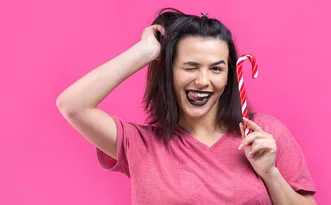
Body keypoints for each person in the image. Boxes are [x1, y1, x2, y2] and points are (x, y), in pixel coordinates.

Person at [56, 8, 317, 205]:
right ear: (169, 72)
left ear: (229, 76)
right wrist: (145, 51)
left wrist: (270, 173)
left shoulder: (264, 134)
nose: (203, 81)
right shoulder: (138, 144)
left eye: (216, 69)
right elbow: (72, 105)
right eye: (190, 67)